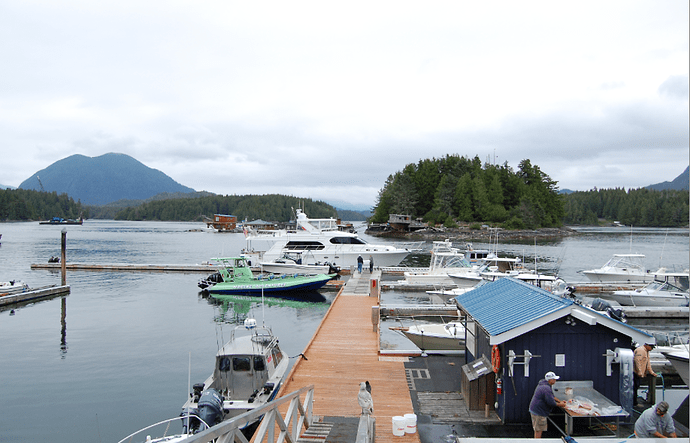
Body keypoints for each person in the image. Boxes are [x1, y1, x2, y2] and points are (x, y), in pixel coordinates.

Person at [529, 371, 566, 438]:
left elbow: (551, 396)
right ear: (550, 380)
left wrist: (560, 401)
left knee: (537, 428)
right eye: (554, 379)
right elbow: (551, 402)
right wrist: (562, 405)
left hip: (535, 409)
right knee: (538, 430)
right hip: (539, 412)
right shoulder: (546, 388)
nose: (555, 380)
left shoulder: (544, 385)